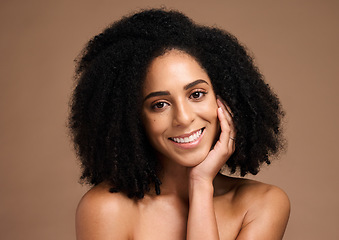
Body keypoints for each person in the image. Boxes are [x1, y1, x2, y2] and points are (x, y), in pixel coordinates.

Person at [69, 8, 290, 240]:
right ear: (133, 119)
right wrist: (202, 182)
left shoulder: (262, 204)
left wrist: (201, 184)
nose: (183, 118)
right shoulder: (106, 210)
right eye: (160, 104)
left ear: (224, 97)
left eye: (196, 94)